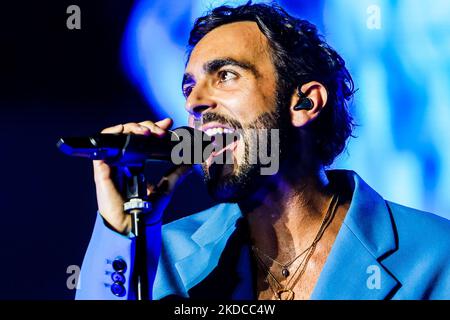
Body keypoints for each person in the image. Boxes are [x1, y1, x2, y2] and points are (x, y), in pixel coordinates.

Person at [75, 2, 450, 300]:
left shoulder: (433, 256)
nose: (196, 103)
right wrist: (121, 229)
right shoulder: (163, 258)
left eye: (226, 75)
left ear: (305, 103)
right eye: (188, 88)